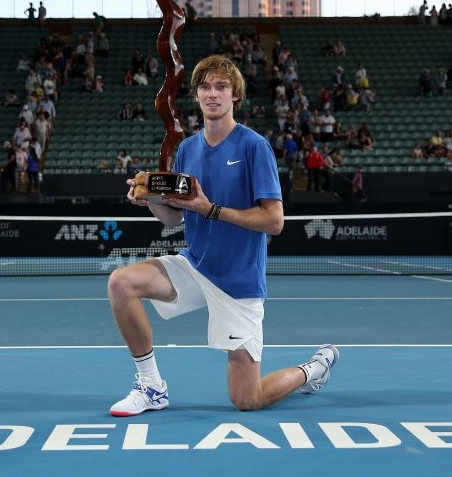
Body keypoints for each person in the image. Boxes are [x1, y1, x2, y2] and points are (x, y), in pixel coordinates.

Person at [107, 55, 338, 417]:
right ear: (196, 95)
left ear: (235, 95)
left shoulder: (253, 146)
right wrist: (148, 201)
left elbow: (274, 220)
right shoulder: (187, 148)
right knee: (121, 283)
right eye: (205, 87)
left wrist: (210, 209)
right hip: (195, 266)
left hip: (238, 283)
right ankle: (151, 386)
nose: (212, 94)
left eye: (221, 87)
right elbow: (173, 217)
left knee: (248, 399)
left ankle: (312, 369)